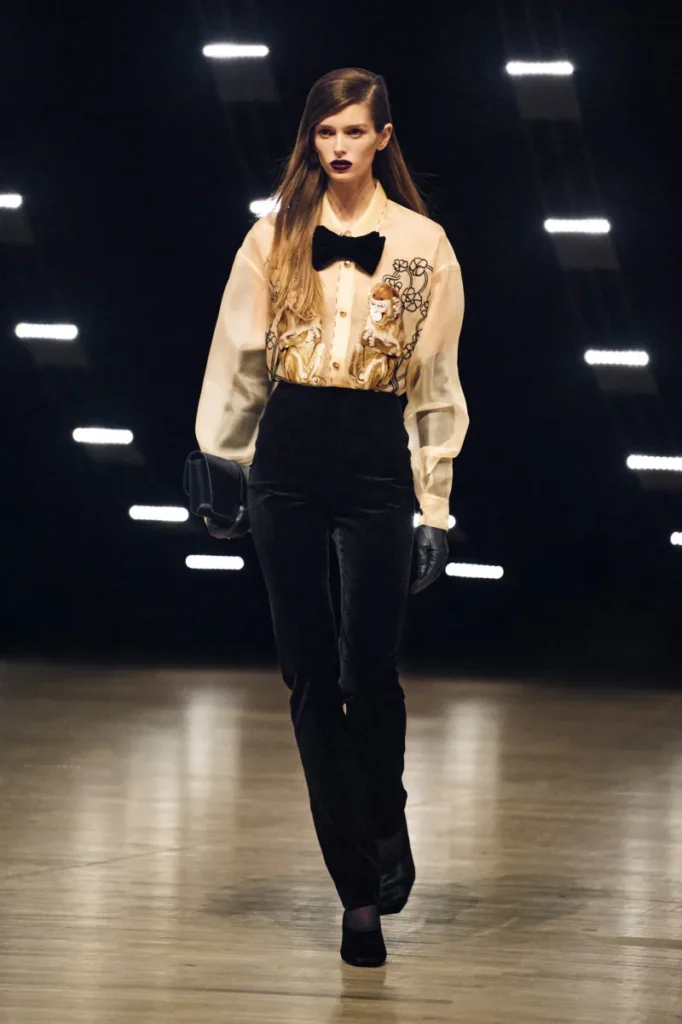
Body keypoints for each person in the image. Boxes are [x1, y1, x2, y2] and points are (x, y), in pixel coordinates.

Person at [195, 67, 468, 967]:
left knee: (370, 670)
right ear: (310, 140)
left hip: (374, 458)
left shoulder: (424, 244)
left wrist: (435, 505)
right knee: (309, 673)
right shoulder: (272, 235)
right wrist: (222, 462)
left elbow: (436, 382)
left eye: (355, 130)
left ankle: (384, 817)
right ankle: (357, 894)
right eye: (325, 132)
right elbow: (239, 356)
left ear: (384, 137)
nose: (340, 146)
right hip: (287, 458)